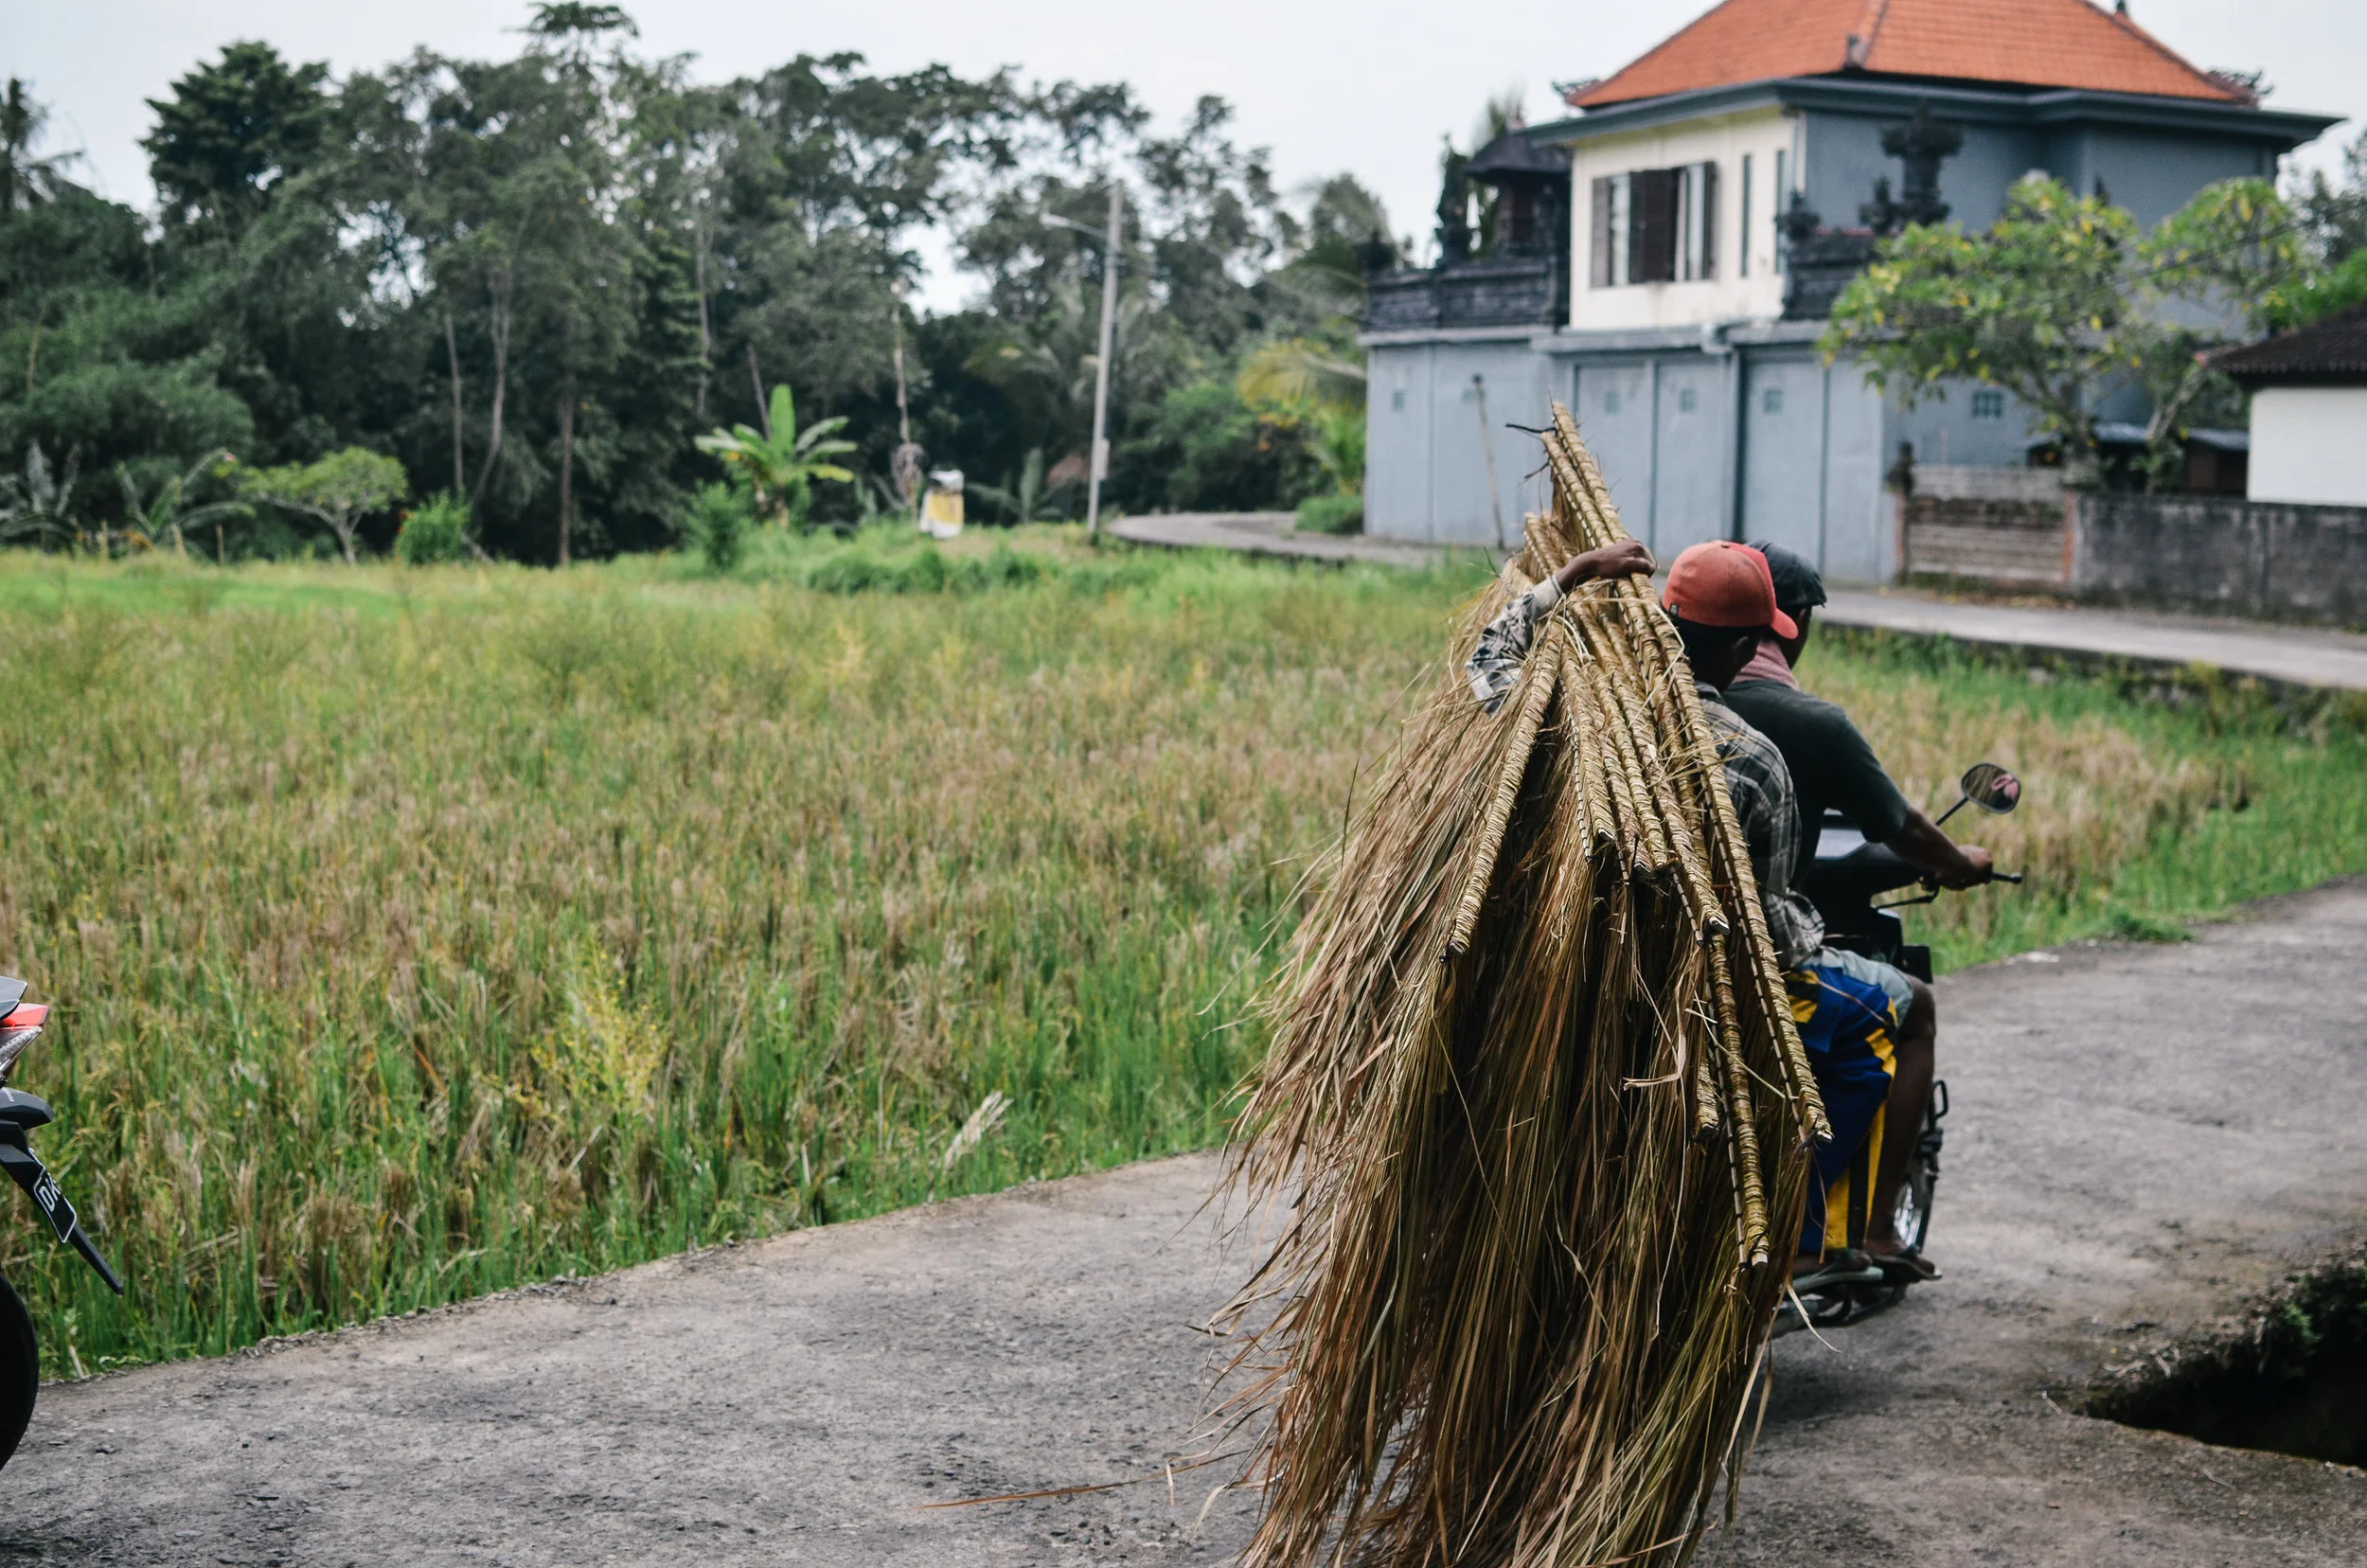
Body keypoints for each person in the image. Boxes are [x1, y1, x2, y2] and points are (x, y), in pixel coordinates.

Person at [1466, 540, 1905, 1281]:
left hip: (1575, 977)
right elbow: (1768, 933)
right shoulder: (1756, 760)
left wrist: (1575, 574)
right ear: (1742, 647)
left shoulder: (1577, 721)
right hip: (1704, 1004)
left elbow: (1488, 658)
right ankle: (1810, 1233)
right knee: (1881, 1012)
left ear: (1666, 618)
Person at [1724, 541, 1992, 1278]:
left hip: (1656, 949)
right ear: (1787, 622)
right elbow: (1899, 826)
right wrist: (1960, 861)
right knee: (1914, 1010)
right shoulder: (1802, 725)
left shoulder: (1641, 702)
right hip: (1753, 958)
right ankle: (1865, 1230)